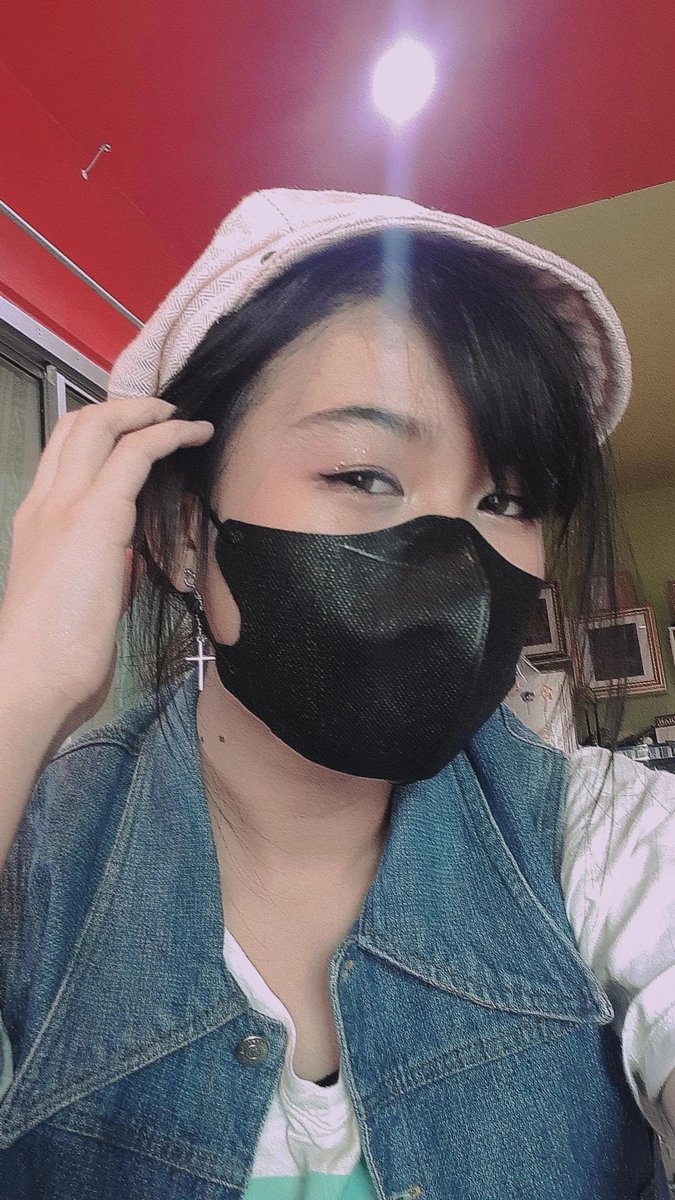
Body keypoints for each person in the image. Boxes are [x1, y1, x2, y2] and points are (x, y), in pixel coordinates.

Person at [0, 188, 672, 1199]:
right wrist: (22, 687)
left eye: (507, 499)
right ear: (184, 529)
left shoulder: (600, 841)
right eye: (363, 475)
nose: (453, 563)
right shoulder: (36, 862)